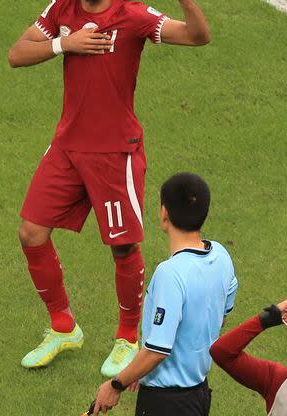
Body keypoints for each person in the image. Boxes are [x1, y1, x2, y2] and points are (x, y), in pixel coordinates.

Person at [8, 0, 211, 377]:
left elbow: (198, 36)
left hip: (114, 154)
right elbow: (17, 54)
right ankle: (63, 328)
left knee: (122, 248)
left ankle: (126, 337)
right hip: (67, 147)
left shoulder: (133, 16)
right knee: (31, 232)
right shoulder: (61, 10)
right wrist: (65, 43)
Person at [91, 173, 238, 415]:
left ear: (163, 213)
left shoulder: (170, 274)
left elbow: (157, 351)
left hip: (166, 404)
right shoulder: (221, 256)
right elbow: (220, 315)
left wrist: (115, 385)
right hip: (199, 394)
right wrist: (143, 368)